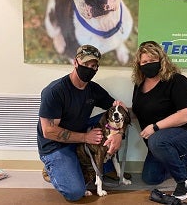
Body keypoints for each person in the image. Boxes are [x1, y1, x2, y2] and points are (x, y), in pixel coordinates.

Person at [37, 44, 127, 202]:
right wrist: (85, 137)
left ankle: (91, 165)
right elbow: (48, 131)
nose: (89, 69)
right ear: (75, 62)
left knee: (121, 118)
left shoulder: (93, 89)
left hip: (80, 131)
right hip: (55, 145)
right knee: (75, 192)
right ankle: (53, 169)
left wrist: (120, 134)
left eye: (93, 66)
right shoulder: (55, 91)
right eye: (85, 64)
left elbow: (117, 110)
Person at [131, 41, 187, 200]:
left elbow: (186, 114)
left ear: (162, 60)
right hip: (160, 139)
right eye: (144, 62)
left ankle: (183, 178)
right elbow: (140, 110)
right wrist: (120, 111)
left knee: (157, 142)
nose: (148, 64)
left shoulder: (177, 80)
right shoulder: (139, 84)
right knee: (151, 178)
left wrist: (155, 127)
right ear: (139, 64)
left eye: (152, 61)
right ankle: (186, 160)